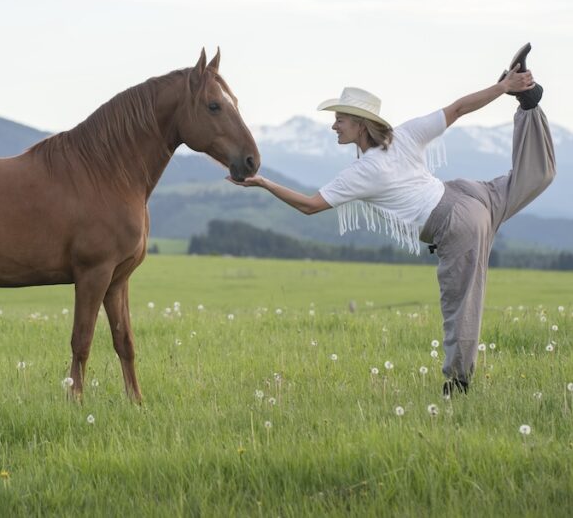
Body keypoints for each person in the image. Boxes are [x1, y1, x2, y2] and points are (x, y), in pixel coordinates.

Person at [230, 43, 555, 396]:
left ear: (359, 125)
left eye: (340, 120)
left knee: (461, 302)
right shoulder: (406, 134)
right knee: (532, 177)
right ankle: (529, 104)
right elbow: (459, 108)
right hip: (468, 195)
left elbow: (310, 205)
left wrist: (263, 183)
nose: (334, 126)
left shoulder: (364, 171)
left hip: (453, 223)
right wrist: (503, 87)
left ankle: (457, 384)